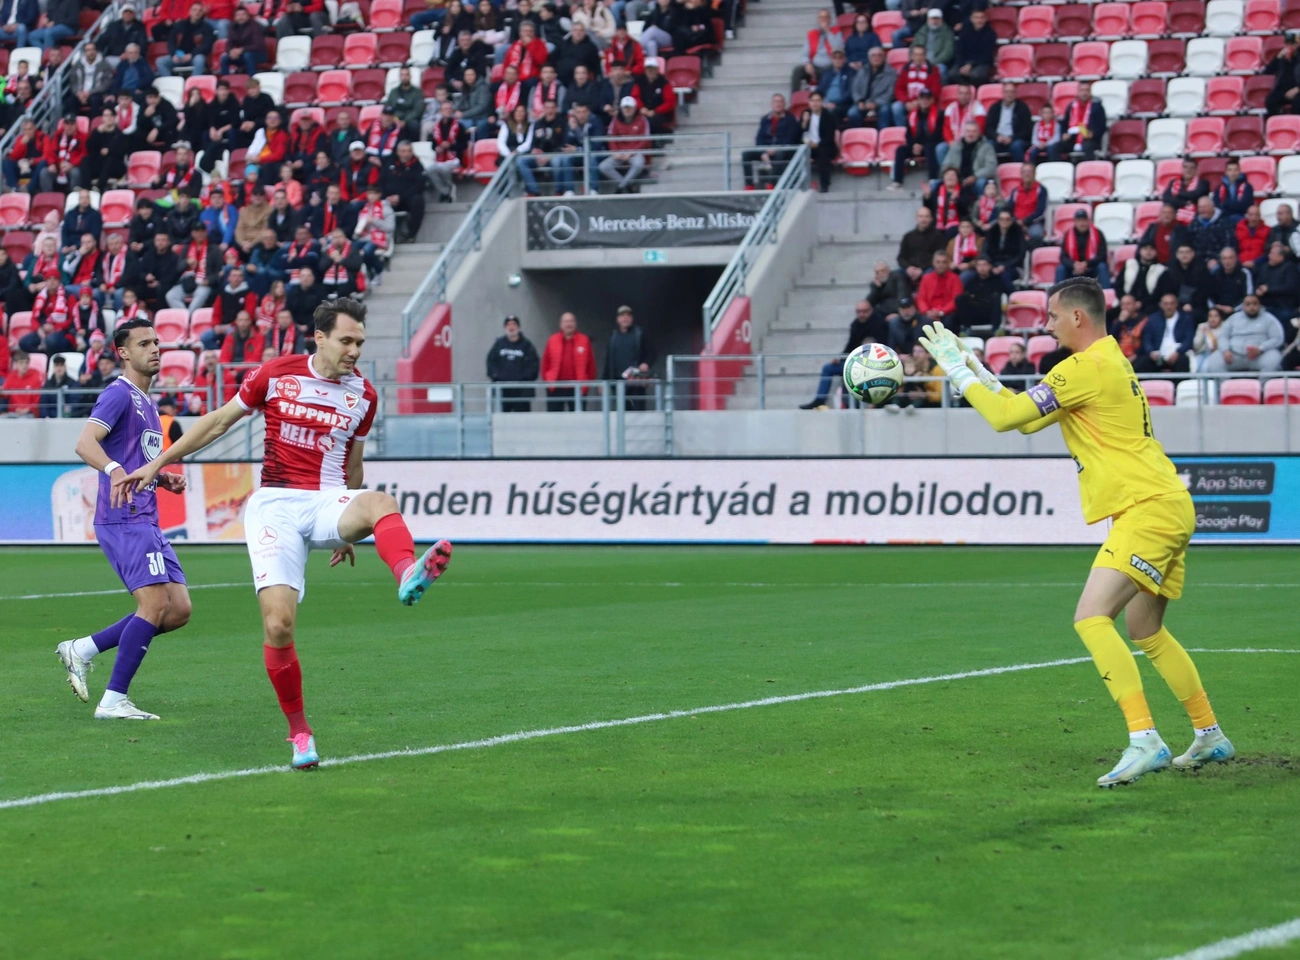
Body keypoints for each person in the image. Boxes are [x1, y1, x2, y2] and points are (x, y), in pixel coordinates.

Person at [917, 280, 1234, 787]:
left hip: (1146, 510)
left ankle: (1144, 739)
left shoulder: (1083, 369)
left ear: (1078, 318)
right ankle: (1209, 734)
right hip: (1166, 503)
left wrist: (954, 372)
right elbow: (1023, 417)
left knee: (1091, 618)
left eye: (1052, 316)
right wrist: (975, 367)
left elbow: (1002, 418)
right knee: (1146, 631)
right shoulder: (1106, 363)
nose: (1046, 324)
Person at [118, 300, 452, 770]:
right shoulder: (276, 374)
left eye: (360, 342)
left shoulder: (364, 397)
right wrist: (158, 463)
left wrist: (348, 533)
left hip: (327, 500)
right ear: (319, 337)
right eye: (347, 341)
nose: (355, 350)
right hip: (274, 505)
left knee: (381, 502)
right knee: (279, 625)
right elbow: (217, 422)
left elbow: (353, 468)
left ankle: (405, 573)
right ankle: (300, 733)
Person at [57, 320, 193, 719]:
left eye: (156, 342)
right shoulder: (118, 395)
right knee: (152, 603)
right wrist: (115, 469)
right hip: (123, 517)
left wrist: (160, 476)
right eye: (144, 343)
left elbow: (136, 459)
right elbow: (85, 444)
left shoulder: (149, 403)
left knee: (178, 609)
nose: (154, 349)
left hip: (146, 516)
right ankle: (114, 700)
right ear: (123, 352)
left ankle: (81, 649)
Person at [800, 301, 887, 409]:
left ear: (871, 310)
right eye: (858, 312)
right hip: (855, 362)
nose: (861, 314)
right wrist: (840, 358)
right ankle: (820, 400)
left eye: (864, 311)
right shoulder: (856, 325)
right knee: (828, 368)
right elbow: (850, 346)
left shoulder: (879, 324)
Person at [1203, 293, 1284, 373]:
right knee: (1214, 361)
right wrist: (1225, 350)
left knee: (1274, 359)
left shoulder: (1269, 319)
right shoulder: (1233, 318)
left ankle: (1263, 385)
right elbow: (1223, 336)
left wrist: (1261, 348)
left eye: (1254, 304)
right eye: (1248, 304)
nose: (1251, 307)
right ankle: (1225, 385)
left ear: (1259, 305)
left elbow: (1277, 338)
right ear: (1243, 306)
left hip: (1260, 355)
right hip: (1233, 355)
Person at [742, 94, 801, 190]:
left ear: (784, 104)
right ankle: (749, 185)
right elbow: (759, 138)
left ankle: (771, 183)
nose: (778, 104)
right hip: (767, 150)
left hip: (783, 150)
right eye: (775, 101)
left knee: (780, 154)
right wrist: (763, 152)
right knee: (746, 155)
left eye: (780, 101)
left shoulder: (791, 119)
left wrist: (776, 148)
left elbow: (790, 139)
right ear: (772, 104)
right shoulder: (765, 119)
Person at [602, 305, 655, 410]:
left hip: (636, 382)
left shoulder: (640, 333)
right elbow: (608, 362)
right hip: (618, 383)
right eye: (622, 316)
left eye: (628, 315)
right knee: (620, 415)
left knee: (637, 415)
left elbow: (652, 353)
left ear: (632, 318)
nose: (625, 318)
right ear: (618, 319)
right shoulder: (613, 336)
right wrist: (603, 381)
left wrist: (646, 363)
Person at [541, 311, 596, 410]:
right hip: (556, 388)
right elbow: (545, 364)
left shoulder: (584, 340)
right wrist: (548, 382)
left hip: (577, 388)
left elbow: (591, 366)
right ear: (561, 324)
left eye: (571, 321)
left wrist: (586, 384)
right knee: (555, 421)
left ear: (575, 323)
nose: (569, 324)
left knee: (578, 422)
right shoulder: (552, 340)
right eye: (566, 321)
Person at [889, 87, 941, 188]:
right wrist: (914, 145)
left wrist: (922, 145)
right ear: (918, 100)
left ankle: (932, 179)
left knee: (930, 148)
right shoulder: (912, 115)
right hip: (916, 146)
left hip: (930, 145)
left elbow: (938, 135)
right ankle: (897, 181)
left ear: (932, 100)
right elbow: (908, 134)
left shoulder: (939, 114)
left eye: (928, 98)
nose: (925, 101)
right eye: (922, 98)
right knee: (900, 150)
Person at [486, 315, 540, 412]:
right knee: (502, 420)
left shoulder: (527, 345)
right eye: (508, 324)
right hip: (503, 391)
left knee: (522, 422)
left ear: (518, 327)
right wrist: (497, 376)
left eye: (514, 324)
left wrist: (522, 378)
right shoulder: (499, 344)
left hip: (522, 392)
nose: (511, 327)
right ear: (505, 328)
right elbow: (491, 363)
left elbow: (534, 365)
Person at [599, 96, 652, 193]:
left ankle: (621, 186)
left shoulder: (642, 120)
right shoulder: (615, 120)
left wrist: (631, 153)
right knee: (604, 166)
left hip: (635, 152)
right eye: (625, 108)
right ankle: (627, 184)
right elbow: (611, 137)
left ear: (635, 108)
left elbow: (645, 140)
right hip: (620, 152)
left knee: (639, 164)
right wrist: (615, 152)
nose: (627, 110)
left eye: (630, 108)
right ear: (621, 109)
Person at [1136, 292, 1194, 375]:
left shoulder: (1185, 319)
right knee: (1142, 363)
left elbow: (1188, 339)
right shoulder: (1153, 319)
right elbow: (1147, 339)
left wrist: (1178, 352)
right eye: (1166, 304)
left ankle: (1178, 387)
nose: (1169, 307)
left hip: (1177, 354)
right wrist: (1151, 352)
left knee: (1183, 361)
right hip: (1158, 356)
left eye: (1171, 303)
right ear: (1161, 305)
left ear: (1176, 304)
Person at [791, 8, 843, 93]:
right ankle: (795, 98)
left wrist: (828, 31)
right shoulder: (812, 34)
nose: (823, 20)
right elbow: (804, 54)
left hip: (829, 66)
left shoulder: (836, 32)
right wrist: (807, 63)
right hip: (814, 66)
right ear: (818, 20)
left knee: (827, 75)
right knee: (797, 71)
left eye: (826, 17)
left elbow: (838, 48)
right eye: (821, 17)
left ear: (830, 20)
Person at [890, 43, 941, 128]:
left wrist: (920, 101)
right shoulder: (905, 69)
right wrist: (906, 101)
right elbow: (898, 89)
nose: (918, 57)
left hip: (925, 101)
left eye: (921, 55)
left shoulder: (933, 70)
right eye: (916, 54)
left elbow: (935, 91)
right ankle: (903, 132)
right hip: (908, 102)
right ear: (912, 56)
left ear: (925, 56)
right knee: (896, 107)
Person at [939, 120, 995, 197]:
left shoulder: (987, 148)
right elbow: (945, 166)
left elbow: (991, 168)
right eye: (968, 131)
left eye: (974, 131)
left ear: (979, 133)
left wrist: (975, 176)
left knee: (981, 182)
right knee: (934, 183)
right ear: (964, 133)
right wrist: (953, 177)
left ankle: (979, 206)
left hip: (976, 180)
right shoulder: (956, 147)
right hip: (957, 181)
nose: (970, 134)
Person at [157, 2, 215, 77]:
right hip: (179, 55)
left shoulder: (207, 27)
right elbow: (171, 42)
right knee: (160, 61)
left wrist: (191, 54)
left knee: (200, 59)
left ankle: (193, 85)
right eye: (194, 10)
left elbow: (206, 46)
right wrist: (175, 54)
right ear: (189, 12)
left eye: (200, 10)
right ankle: (171, 84)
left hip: (194, 56)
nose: (197, 12)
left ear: (202, 13)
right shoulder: (179, 25)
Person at [897, 206, 945, 294]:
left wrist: (921, 270)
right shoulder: (908, 236)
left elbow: (938, 259)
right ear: (916, 218)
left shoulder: (938, 236)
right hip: (910, 268)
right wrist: (908, 268)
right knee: (896, 275)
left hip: (928, 268)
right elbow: (900, 258)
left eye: (926, 216)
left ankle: (921, 302)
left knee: (929, 275)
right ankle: (905, 303)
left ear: (931, 219)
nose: (923, 219)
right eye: (921, 216)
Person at [1057, 209, 1110, 288]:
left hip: (1092, 267)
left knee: (1102, 266)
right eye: (1079, 220)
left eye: (1084, 220)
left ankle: (1107, 295)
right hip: (1074, 268)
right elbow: (1063, 257)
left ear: (1088, 221)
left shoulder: (1098, 234)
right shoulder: (1068, 235)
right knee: (1061, 269)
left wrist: (1086, 264)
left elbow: (1102, 255)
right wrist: (1074, 265)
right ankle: (1057, 296)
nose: (1082, 223)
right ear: (1075, 222)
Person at [848, 46, 895, 130]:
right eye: (873, 55)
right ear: (869, 58)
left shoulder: (891, 73)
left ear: (884, 57)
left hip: (881, 103)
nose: (876, 58)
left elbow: (890, 93)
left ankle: (882, 136)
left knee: (885, 110)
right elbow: (855, 89)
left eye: (879, 55)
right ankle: (859, 137)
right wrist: (859, 101)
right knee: (852, 113)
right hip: (863, 102)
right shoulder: (862, 71)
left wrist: (876, 103)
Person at [1253, 242, 1299, 323]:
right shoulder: (1265, 267)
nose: (1269, 256)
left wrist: (1268, 289)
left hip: (1283, 306)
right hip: (1264, 304)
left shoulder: (1289, 268)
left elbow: (1290, 287)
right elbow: (1258, 283)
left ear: (1281, 257)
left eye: (1272, 254)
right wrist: (1258, 290)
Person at [984, 82, 1030, 163]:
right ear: (1003, 93)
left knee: (1017, 146)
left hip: (1015, 139)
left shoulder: (1023, 108)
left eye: (1012, 92)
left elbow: (1026, 130)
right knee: (988, 145)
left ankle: (1018, 170)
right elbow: (988, 128)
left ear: (1016, 94)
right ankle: (991, 172)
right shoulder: (995, 107)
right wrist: (996, 137)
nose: (1009, 94)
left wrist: (1012, 138)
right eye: (1007, 92)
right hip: (998, 139)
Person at [915, 250, 962, 329]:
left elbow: (956, 300)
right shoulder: (926, 278)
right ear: (933, 263)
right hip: (929, 313)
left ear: (948, 264)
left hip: (947, 313)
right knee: (923, 322)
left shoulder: (955, 278)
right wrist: (927, 312)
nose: (941, 265)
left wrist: (941, 312)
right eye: (938, 262)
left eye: (944, 262)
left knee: (950, 321)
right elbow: (921, 298)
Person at [1059, 81, 1105, 161]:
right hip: (1072, 137)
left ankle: (1088, 170)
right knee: (1055, 148)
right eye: (1082, 90)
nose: (1084, 93)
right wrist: (1064, 134)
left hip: (1090, 139)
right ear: (1078, 92)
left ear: (1090, 92)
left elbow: (1102, 126)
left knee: (1087, 146)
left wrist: (1093, 134)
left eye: (1087, 90)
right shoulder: (1072, 106)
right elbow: (1064, 123)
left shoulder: (1097, 107)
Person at [1116, 242, 1166, 315]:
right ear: (1140, 251)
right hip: (1125, 303)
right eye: (1145, 249)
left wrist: (1141, 303)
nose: (1148, 251)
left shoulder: (1161, 270)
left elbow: (1159, 293)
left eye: (1151, 249)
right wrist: (1126, 301)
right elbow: (1118, 285)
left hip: (1149, 305)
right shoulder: (1130, 264)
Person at [800, 91, 836, 193]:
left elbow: (829, 137)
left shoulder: (828, 116)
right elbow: (799, 133)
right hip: (808, 145)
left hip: (824, 146)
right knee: (799, 153)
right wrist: (804, 122)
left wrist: (817, 144)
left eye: (817, 100)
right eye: (812, 100)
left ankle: (824, 185)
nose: (815, 103)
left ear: (822, 102)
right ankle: (800, 185)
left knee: (823, 154)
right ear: (809, 102)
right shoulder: (805, 114)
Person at [983, 208, 1025, 293]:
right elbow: (985, 251)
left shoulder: (1018, 232)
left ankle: (1013, 299)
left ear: (1012, 220)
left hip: (1013, 266)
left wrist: (1004, 266)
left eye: (1007, 219)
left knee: (1004, 275)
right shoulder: (991, 232)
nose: (1004, 221)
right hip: (993, 264)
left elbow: (1020, 255)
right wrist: (991, 266)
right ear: (998, 220)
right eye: (1001, 219)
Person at [954, 255, 1000, 333]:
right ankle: (966, 328)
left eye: (984, 265)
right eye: (979, 265)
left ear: (989, 266)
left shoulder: (997, 280)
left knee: (996, 297)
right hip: (975, 311)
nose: (982, 268)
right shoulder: (972, 281)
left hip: (989, 312)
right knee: (960, 298)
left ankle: (995, 329)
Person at [952, 8, 995, 85]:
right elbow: (959, 50)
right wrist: (962, 65)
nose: (979, 20)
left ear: (986, 19)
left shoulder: (991, 33)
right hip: (965, 61)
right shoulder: (964, 31)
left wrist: (971, 65)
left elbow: (987, 55)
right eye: (976, 17)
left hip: (981, 63)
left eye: (981, 17)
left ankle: (975, 93)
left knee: (976, 76)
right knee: (953, 74)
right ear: (971, 19)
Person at [1006, 162, 1047, 244]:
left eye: (1029, 171)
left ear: (1035, 174)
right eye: (1025, 172)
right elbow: (1009, 209)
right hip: (1016, 223)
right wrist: (1016, 222)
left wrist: (1024, 222)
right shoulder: (1015, 191)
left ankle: (1034, 256)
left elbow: (1040, 211)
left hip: (1033, 223)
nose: (1027, 174)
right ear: (1021, 174)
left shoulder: (1041, 190)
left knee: (1036, 235)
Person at [1206, 246, 1252, 318]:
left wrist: (1234, 309)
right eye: (1224, 258)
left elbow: (1249, 296)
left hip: (1239, 312)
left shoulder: (1244, 273)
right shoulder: (1215, 274)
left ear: (1236, 259)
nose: (1227, 261)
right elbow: (1208, 296)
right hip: (1218, 313)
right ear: (1221, 260)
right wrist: (1216, 307)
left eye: (1230, 258)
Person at [1212, 160, 1253, 224]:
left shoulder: (1247, 187)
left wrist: (1226, 205)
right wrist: (1234, 205)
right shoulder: (1219, 188)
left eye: (1235, 170)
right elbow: (1217, 206)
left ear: (1239, 171)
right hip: (1224, 219)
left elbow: (1244, 206)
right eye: (1230, 170)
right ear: (1226, 172)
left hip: (1242, 218)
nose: (1233, 173)